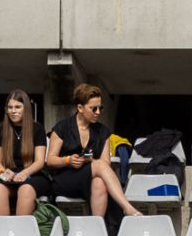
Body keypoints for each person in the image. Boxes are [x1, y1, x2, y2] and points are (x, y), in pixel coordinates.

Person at [47, 83, 139, 222]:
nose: (98, 112)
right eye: (93, 108)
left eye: (100, 108)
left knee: (99, 182)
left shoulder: (103, 131)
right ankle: (127, 207)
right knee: (99, 167)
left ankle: (97, 226)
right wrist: (68, 160)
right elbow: (50, 160)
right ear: (80, 108)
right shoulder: (63, 127)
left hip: (89, 177)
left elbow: (105, 163)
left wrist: (90, 161)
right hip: (66, 178)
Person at [0, 89, 46, 219]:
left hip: (32, 174)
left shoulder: (37, 129)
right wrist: (4, 171)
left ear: (26, 108)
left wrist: (24, 173)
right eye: (10, 107)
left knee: (26, 189)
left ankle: (21, 229)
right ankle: (3, 229)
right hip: (8, 173)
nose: (13, 111)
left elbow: (40, 161)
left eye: (18, 107)